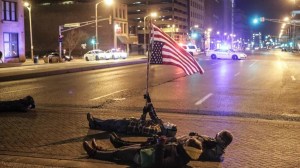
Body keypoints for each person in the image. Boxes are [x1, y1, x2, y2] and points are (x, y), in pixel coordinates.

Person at [108, 130, 233, 162]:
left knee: (150, 145)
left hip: (178, 147)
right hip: (179, 142)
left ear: (223, 141)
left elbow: (199, 151)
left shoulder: (216, 152)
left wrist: (199, 141)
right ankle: (122, 143)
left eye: (219, 136)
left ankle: (120, 145)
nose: (216, 136)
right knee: (151, 141)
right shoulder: (214, 143)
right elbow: (201, 139)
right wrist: (196, 135)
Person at [87, 93, 177, 137]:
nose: (169, 123)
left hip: (128, 127)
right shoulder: (159, 124)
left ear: (167, 131)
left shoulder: (155, 132)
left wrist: (144, 114)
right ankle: (94, 122)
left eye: (170, 125)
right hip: (130, 122)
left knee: (110, 124)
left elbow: (141, 127)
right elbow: (154, 115)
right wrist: (149, 101)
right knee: (111, 123)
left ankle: (94, 123)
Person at [83, 136, 202, 168]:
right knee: (120, 151)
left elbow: (159, 164)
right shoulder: (180, 152)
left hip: (143, 157)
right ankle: (99, 150)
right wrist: (165, 141)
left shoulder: (177, 159)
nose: (184, 142)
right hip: (146, 151)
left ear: (188, 149)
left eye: (187, 143)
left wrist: (161, 145)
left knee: (117, 155)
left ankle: (93, 153)